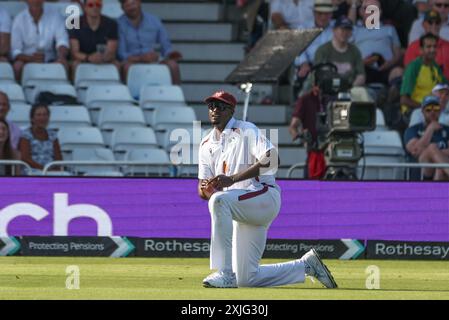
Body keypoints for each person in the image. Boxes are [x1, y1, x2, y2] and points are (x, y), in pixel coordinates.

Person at [198, 90, 338, 288]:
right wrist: (207, 188)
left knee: (219, 200)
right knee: (247, 279)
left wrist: (231, 179)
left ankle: (225, 273)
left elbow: (273, 159)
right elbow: (202, 188)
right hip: (239, 205)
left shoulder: (246, 129)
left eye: (220, 106)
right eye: (211, 106)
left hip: (264, 198)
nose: (214, 110)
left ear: (231, 110)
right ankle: (306, 266)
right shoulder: (205, 143)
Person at [117, 0, 182, 84]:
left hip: (153, 58)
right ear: (122, 8)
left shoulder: (154, 20)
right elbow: (122, 54)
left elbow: (165, 44)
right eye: (127, 5)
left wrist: (170, 54)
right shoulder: (118, 24)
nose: (131, 7)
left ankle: (175, 95)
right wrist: (141, 58)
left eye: (133, 3)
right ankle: (128, 96)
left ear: (139, 2)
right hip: (132, 60)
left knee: (173, 65)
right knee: (126, 67)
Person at [10, 0, 69, 81]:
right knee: (17, 66)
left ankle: (64, 90)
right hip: (26, 60)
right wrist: (30, 58)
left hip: (50, 58)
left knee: (63, 63)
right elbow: (15, 51)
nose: (36, 1)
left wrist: (61, 55)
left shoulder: (55, 16)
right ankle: (18, 91)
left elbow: (62, 41)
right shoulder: (19, 19)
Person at [353, 0, 403, 85]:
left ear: (380, 12)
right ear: (361, 12)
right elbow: (346, 53)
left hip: (387, 68)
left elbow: (397, 53)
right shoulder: (354, 30)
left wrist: (390, 63)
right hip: (363, 69)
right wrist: (361, 62)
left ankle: (390, 97)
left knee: (398, 72)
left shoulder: (389, 29)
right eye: (367, 9)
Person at [400, 33, 447, 122]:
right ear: (421, 49)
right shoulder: (414, 67)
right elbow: (404, 100)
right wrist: (426, 107)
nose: (432, 50)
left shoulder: (435, 66)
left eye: (434, 46)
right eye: (428, 47)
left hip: (432, 109)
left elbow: (446, 87)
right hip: (414, 111)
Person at [68, 0, 120, 78]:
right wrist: (88, 58)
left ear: (101, 6)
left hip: (104, 58)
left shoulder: (111, 24)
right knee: (75, 64)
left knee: (116, 64)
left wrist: (102, 57)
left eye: (98, 4)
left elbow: (111, 51)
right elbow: (74, 52)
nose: (95, 7)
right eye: (91, 5)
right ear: (85, 7)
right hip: (83, 59)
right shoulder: (75, 22)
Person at [404, 95, 449, 180]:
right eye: (428, 108)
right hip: (420, 173)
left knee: (440, 168)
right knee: (432, 147)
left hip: (441, 174)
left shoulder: (447, 129)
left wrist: (436, 154)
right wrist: (430, 129)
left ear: (440, 111)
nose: (432, 112)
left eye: (436, 108)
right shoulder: (412, 130)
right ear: (423, 111)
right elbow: (415, 151)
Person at [314, 16, 366, 87]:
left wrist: (351, 88)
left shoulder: (355, 50)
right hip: (327, 89)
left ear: (351, 33)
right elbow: (318, 74)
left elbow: (361, 75)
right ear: (334, 30)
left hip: (351, 89)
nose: (345, 33)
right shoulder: (323, 50)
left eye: (348, 30)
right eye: (342, 29)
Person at [295, 0, 336, 81]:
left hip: (332, 67)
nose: (323, 17)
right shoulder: (303, 28)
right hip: (308, 67)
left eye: (326, 14)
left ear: (331, 14)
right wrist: (304, 63)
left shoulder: (337, 28)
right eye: (320, 13)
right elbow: (297, 50)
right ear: (314, 13)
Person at [404, 10, 449, 81]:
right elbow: (409, 72)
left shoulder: (447, 45)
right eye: (430, 23)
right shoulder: (414, 46)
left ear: (440, 25)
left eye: (437, 23)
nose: (434, 26)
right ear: (424, 25)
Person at [19, 103, 62, 173]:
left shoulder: (53, 135)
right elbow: (25, 158)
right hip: (31, 170)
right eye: (39, 115)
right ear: (32, 118)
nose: (42, 118)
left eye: (45, 115)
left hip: (51, 171)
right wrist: (44, 169)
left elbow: (58, 158)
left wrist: (53, 170)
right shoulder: (25, 134)